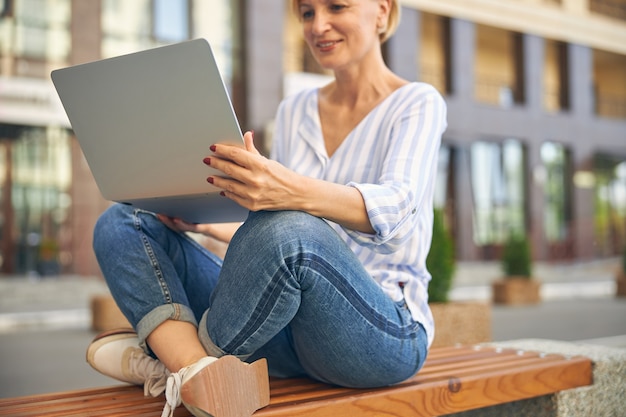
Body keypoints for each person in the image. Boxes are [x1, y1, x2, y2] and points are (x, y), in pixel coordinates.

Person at [86, 0, 447, 416]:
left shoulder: (417, 102)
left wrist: (284, 189)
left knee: (289, 228)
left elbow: (398, 212)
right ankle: (194, 372)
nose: (319, 26)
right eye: (307, 13)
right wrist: (202, 223)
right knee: (123, 221)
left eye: (336, 7)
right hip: (283, 329)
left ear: (382, 10)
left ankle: (171, 362)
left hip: (382, 334)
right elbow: (275, 239)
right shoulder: (295, 110)